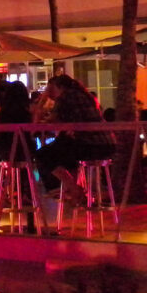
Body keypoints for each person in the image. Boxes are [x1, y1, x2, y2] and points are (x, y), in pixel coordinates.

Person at [33, 74, 114, 204]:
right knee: (63, 149)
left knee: (42, 155)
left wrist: (43, 99)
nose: (50, 93)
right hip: (107, 144)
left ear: (58, 87)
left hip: (89, 144)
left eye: (51, 89)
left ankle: (72, 189)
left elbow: (44, 122)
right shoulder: (85, 96)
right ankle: (71, 191)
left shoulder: (65, 96)